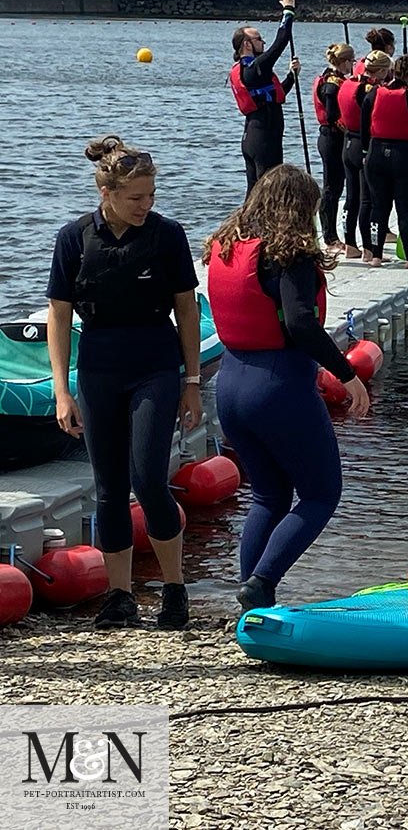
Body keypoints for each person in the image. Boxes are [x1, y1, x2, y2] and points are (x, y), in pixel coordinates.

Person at [46, 136, 202, 630]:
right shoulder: (74, 239)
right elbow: (58, 314)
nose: (146, 205)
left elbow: (186, 308)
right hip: (98, 369)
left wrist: (192, 381)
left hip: (154, 366)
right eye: (137, 197)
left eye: (151, 195)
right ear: (107, 193)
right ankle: (119, 596)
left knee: (148, 480)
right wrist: (61, 389)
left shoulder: (166, 235)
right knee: (108, 489)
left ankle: (174, 589)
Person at [204, 165, 370, 610]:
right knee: (320, 493)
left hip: (231, 383)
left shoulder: (225, 246)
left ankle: (252, 604)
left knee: (268, 494)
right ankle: (261, 581)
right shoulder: (289, 255)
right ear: (299, 210)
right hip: (278, 386)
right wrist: (348, 374)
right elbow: (300, 324)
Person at [360, 55, 408, 268]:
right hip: (406, 156)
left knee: (378, 207)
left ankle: (376, 256)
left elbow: (364, 124)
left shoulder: (374, 93)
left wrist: (365, 152)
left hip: (375, 154)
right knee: (405, 208)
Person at [229, 0, 302, 195]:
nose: (263, 42)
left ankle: (245, 226)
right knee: (267, 193)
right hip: (263, 139)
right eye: (258, 39)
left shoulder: (257, 71)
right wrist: (288, 11)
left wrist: (291, 76)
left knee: (254, 193)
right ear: (246, 44)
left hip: (256, 135)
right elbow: (281, 42)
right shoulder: (255, 68)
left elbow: (276, 96)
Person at [340, 50, 391, 260]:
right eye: (387, 71)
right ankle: (368, 251)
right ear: (380, 71)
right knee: (367, 200)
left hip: (347, 143)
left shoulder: (347, 83)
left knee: (351, 198)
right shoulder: (370, 90)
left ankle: (350, 245)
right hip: (363, 145)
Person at [313, 42, 354, 250]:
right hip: (331, 138)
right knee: (332, 188)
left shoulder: (335, 78)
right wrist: (350, 131)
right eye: (351, 61)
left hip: (334, 138)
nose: (353, 65)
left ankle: (332, 234)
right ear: (344, 62)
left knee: (337, 186)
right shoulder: (331, 84)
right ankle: (329, 237)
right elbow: (331, 116)